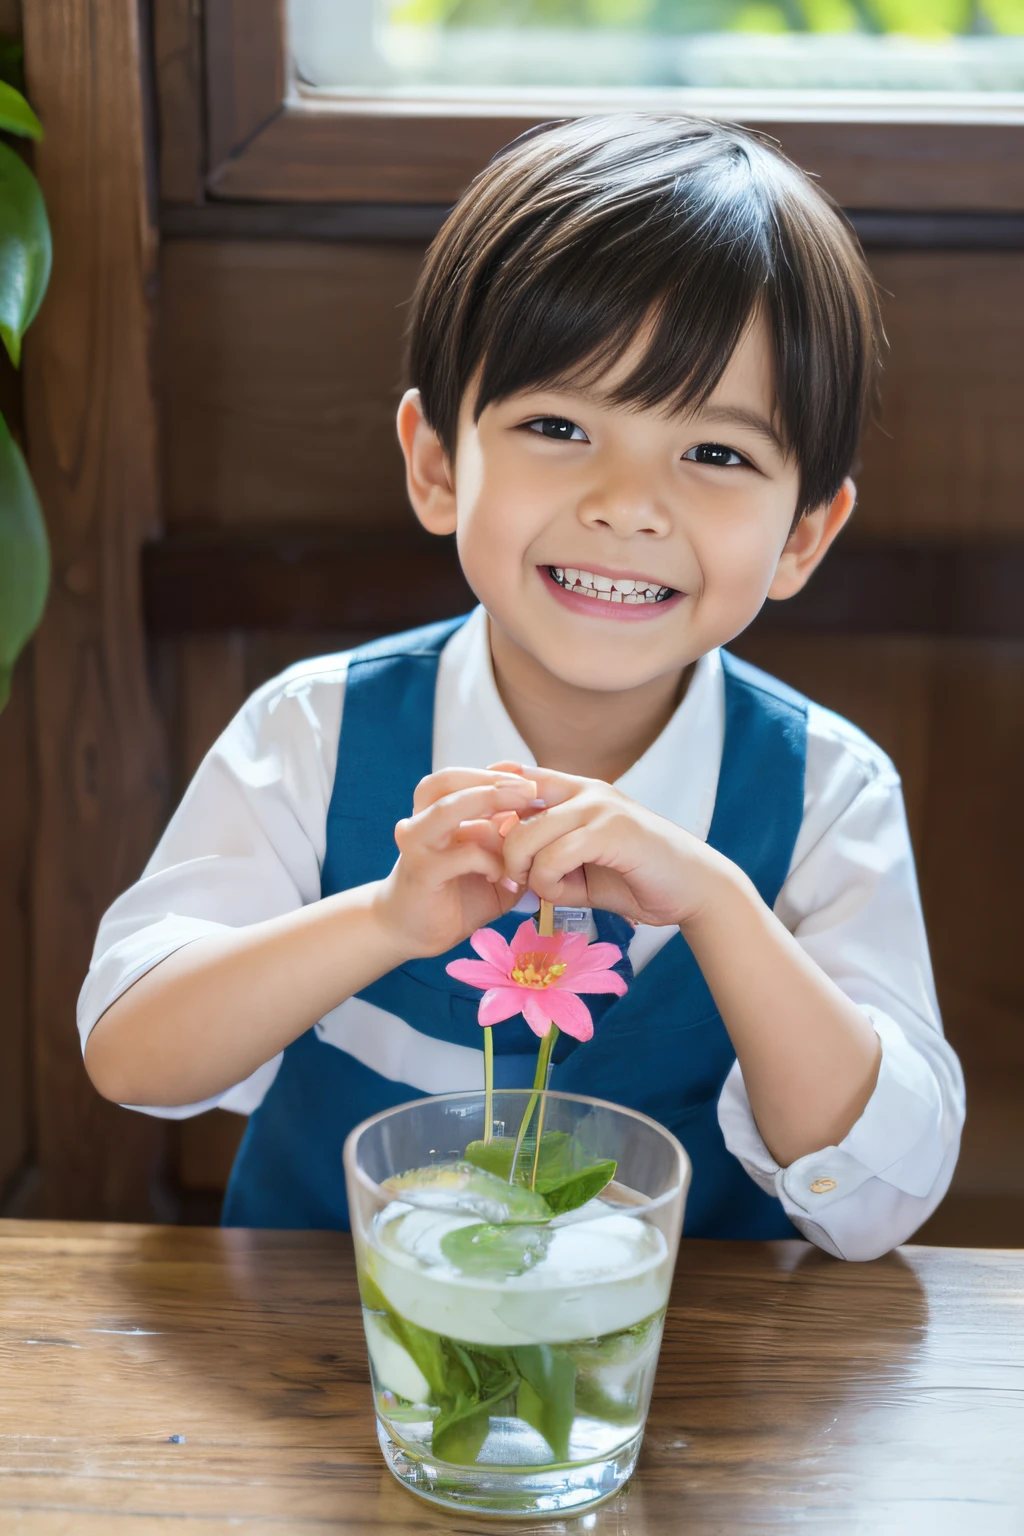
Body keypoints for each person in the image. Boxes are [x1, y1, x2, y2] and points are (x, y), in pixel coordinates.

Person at [80, 115, 963, 1259]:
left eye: (714, 454)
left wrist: (717, 903)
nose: (627, 504)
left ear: (803, 535)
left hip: (679, 1386)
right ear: (437, 464)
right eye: (557, 425)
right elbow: (133, 1056)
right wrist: (384, 920)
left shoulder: (828, 793)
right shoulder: (315, 730)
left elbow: (882, 1202)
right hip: (333, 1362)